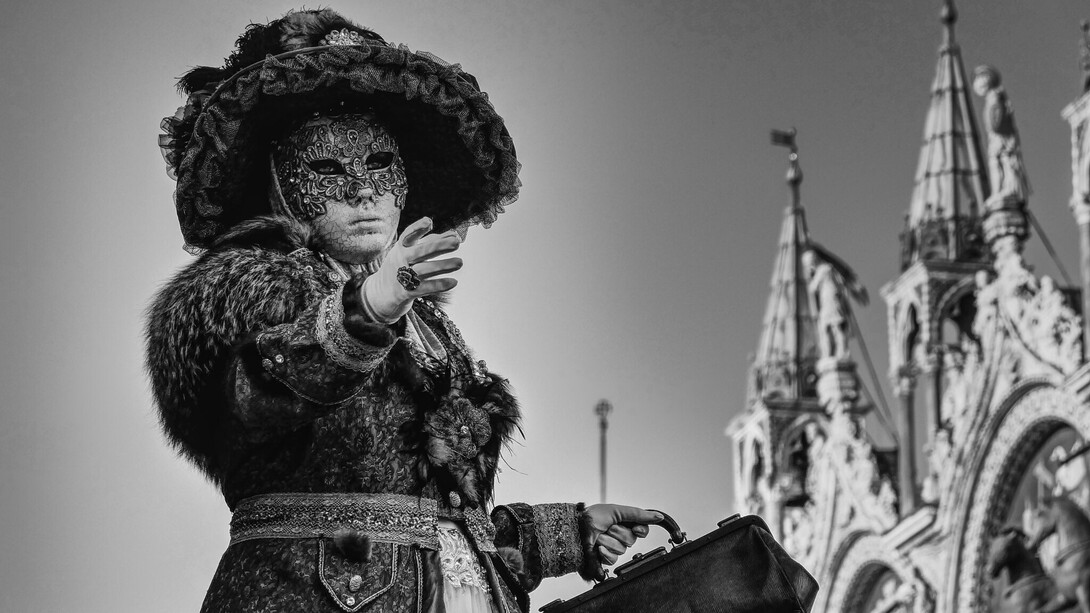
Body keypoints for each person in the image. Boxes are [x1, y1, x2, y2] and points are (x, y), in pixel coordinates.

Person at [147, 9, 660, 613]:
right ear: (281, 184)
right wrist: (363, 311)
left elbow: (439, 528)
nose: (362, 190)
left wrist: (569, 532)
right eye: (327, 170)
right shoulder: (247, 288)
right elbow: (255, 392)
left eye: (379, 167)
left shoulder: (430, 326)